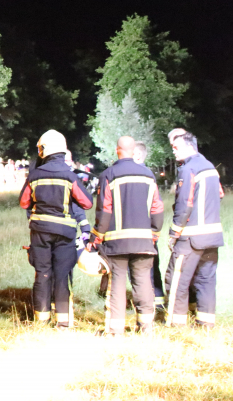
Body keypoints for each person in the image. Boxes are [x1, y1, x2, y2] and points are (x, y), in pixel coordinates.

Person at [88, 137, 165, 335]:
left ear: (117, 150)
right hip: (144, 242)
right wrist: (154, 234)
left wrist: (96, 238)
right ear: (133, 151)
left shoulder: (109, 175)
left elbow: (104, 211)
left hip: (117, 244)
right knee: (143, 283)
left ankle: (115, 331)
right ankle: (146, 329)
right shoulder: (149, 175)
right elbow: (157, 208)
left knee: (117, 286)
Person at [19, 130, 93, 329]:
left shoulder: (34, 175)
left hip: (40, 233)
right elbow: (86, 203)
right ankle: (63, 322)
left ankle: (41, 320)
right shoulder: (70, 176)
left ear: (43, 150)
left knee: (42, 274)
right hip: (65, 234)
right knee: (62, 275)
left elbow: (24, 201)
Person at [165, 131, 224, 329]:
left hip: (191, 238)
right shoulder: (210, 167)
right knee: (206, 281)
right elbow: (220, 194)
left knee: (177, 280)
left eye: (176, 147)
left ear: (189, 146)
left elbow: (184, 204)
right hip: (213, 237)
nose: (173, 151)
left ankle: (176, 325)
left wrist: (174, 233)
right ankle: (206, 324)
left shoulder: (188, 169)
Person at [133, 141, 166, 308]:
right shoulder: (148, 175)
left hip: (140, 231)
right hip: (149, 231)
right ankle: (157, 301)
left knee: (143, 269)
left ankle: (149, 303)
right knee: (153, 267)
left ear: (138, 155)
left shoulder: (140, 175)